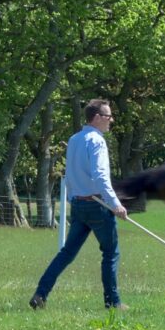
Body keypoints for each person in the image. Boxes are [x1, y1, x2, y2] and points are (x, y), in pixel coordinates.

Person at [30, 99, 129, 311]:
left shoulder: (74, 139)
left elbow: (70, 175)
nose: (111, 120)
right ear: (97, 117)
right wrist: (116, 205)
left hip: (79, 205)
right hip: (98, 205)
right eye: (108, 116)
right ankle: (113, 302)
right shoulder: (97, 141)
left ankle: (40, 293)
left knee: (66, 253)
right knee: (111, 253)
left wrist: (73, 198)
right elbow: (101, 176)